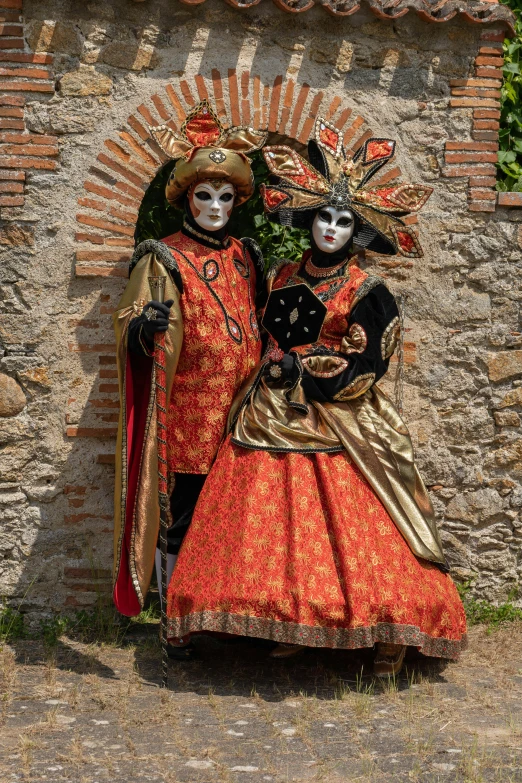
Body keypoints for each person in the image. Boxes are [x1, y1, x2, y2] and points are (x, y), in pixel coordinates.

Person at [165, 117, 467, 676]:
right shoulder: (277, 274)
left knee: (362, 522)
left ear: (358, 230)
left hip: (340, 419)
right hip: (266, 413)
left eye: (343, 220)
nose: (331, 228)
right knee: (268, 523)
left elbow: (368, 365)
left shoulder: (369, 293)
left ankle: (389, 629)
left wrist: (302, 368)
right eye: (323, 217)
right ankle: (288, 620)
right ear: (309, 220)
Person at [111, 101, 266, 655]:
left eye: (226, 197)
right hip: (188, 418)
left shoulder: (248, 257)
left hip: (242, 414)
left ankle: (224, 615)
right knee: (185, 517)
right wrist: (141, 326)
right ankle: (176, 623)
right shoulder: (163, 258)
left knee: (233, 516)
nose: (216, 206)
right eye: (205, 195)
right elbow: (127, 327)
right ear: (186, 199)